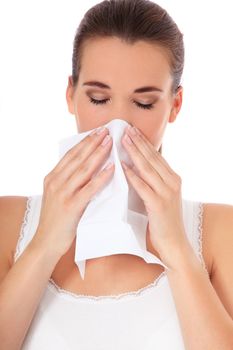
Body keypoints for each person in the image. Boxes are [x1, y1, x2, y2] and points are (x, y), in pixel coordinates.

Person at [0, 0, 232, 349]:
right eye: (97, 98)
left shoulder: (218, 232)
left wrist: (178, 251)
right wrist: (44, 243)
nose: (117, 126)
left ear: (175, 105)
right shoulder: (9, 223)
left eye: (143, 103)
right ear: (70, 94)